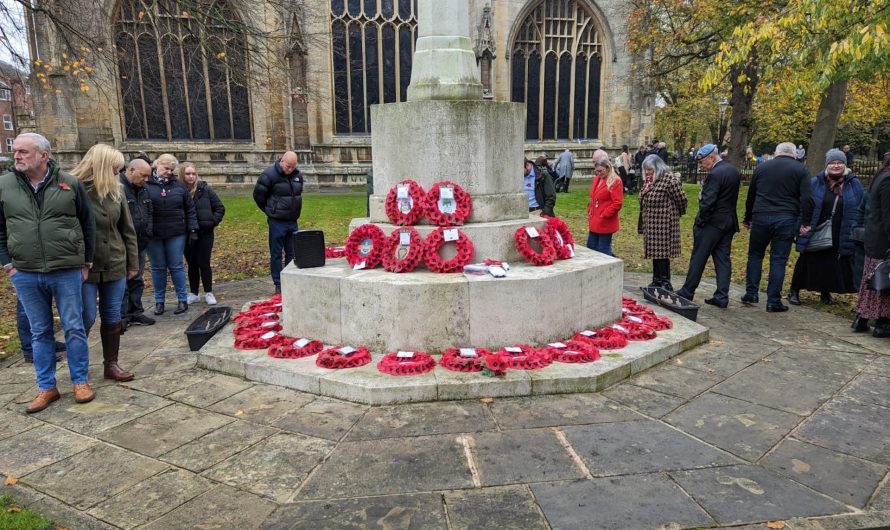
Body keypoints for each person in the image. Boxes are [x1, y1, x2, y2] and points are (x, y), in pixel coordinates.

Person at [0, 133, 96, 413]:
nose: (16, 156)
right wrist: (9, 264)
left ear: (44, 155)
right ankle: (46, 387)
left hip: (65, 269)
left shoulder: (70, 183)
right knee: (39, 331)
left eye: (23, 152)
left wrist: (86, 261)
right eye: (15, 151)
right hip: (26, 272)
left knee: (74, 326)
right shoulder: (4, 185)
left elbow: (87, 223)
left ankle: (80, 381)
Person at [72, 144, 139, 382]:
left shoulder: (116, 191)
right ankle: (78, 367)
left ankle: (111, 364)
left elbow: (127, 230)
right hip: (85, 266)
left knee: (112, 314)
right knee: (86, 315)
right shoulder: (73, 189)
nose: (117, 173)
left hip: (115, 262)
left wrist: (133, 262)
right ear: (101, 166)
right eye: (114, 168)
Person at [788, 149, 865, 306]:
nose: (836, 166)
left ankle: (825, 291)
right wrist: (803, 225)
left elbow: (860, 206)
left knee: (831, 262)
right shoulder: (815, 182)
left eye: (839, 162)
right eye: (832, 162)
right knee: (807, 260)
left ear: (845, 164)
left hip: (840, 229)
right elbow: (804, 205)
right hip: (816, 228)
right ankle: (794, 290)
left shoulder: (854, 184)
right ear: (826, 164)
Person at [741, 142, 812, 312]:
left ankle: (751, 292)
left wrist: (747, 218)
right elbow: (807, 198)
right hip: (786, 217)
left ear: (776, 152)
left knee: (755, 255)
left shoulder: (762, 168)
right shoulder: (801, 169)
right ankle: (773, 300)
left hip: (761, 215)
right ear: (795, 154)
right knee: (779, 259)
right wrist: (806, 222)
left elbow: (751, 195)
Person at [676, 144, 741, 308]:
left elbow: (708, 202)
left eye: (702, 161)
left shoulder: (715, 174)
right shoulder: (732, 171)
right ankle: (722, 296)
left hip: (712, 223)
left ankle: (687, 291)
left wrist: (700, 221)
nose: (700, 165)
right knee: (722, 259)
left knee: (699, 257)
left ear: (711, 157)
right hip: (728, 222)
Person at [146, 153, 197, 315]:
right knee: (158, 268)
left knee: (176, 266)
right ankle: (159, 301)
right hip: (154, 234)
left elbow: (190, 209)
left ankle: (182, 299)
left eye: (171, 170)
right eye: (166, 168)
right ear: (157, 165)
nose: (168, 172)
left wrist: (193, 229)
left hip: (176, 232)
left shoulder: (179, 186)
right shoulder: (146, 184)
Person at [253, 151, 304, 294]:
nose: (290, 170)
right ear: (282, 161)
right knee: (276, 253)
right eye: (288, 166)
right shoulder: (268, 175)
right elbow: (258, 196)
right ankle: (278, 283)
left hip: (292, 220)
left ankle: (289, 279)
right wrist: (271, 211)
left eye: (293, 167)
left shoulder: (297, 176)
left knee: (292, 252)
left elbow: (297, 194)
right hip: (277, 221)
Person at [639, 154, 687, 290]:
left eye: (650, 169)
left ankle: (665, 283)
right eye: (646, 169)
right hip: (652, 223)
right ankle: (656, 280)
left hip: (664, 224)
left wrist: (675, 214)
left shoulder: (669, 179)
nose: (647, 172)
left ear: (658, 167)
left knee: (662, 254)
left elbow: (682, 199)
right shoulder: (650, 181)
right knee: (655, 254)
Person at [181, 163, 225, 305]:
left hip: (205, 233)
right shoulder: (179, 191)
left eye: (193, 173)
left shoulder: (204, 189)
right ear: (182, 175)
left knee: (204, 263)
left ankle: (208, 292)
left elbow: (219, 207)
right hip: (187, 233)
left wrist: (212, 222)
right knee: (191, 263)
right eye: (188, 174)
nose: (191, 176)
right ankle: (194, 292)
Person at [857, 152, 890, 337]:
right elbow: (888, 215)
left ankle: (861, 319)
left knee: (871, 280)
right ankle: (881, 323)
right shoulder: (888, 180)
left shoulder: (881, 176)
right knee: (881, 282)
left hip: (876, 238)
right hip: (882, 241)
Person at [120, 158, 155, 328]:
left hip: (140, 242)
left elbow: (149, 212)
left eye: (148, 177)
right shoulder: (117, 188)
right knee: (122, 282)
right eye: (143, 176)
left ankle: (136, 311)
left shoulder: (143, 189)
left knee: (137, 279)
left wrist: (148, 232)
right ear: (131, 170)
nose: (146, 180)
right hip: (122, 245)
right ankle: (122, 315)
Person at [586, 156, 624, 256]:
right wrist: (589, 209)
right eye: (596, 171)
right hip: (594, 219)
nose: (598, 173)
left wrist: (604, 214)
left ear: (607, 168)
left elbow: (617, 203)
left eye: (600, 170)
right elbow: (593, 197)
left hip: (605, 221)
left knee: (603, 248)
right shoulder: (597, 179)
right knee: (591, 246)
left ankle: (613, 266)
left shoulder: (615, 181)